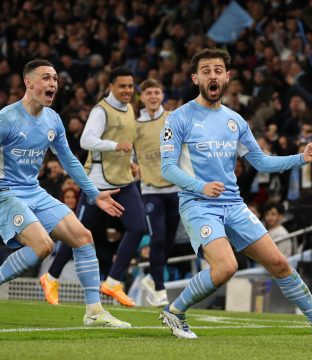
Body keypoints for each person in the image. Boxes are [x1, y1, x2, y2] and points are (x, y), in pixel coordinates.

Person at [159, 48, 312, 342]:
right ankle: (175, 311)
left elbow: (261, 162)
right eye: (206, 70)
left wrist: (301, 158)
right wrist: (201, 187)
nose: (212, 75)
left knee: (279, 264)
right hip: (198, 203)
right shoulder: (179, 118)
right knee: (226, 266)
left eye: (217, 70)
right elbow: (167, 169)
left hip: (233, 204)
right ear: (195, 77)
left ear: (227, 77)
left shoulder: (235, 121)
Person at [0, 59, 130, 328]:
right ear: (29, 82)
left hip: (34, 191)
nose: (53, 84)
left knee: (83, 237)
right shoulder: (6, 119)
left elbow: (69, 159)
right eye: (46, 78)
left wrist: (94, 193)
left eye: (55, 79)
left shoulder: (52, 120)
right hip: (6, 193)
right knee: (43, 245)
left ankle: (94, 312)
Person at [40, 66, 147, 307]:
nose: (128, 90)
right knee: (79, 235)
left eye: (130, 86)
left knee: (138, 226)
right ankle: (51, 276)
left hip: (123, 182)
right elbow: (86, 140)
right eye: (122, 86)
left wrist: (129, 162)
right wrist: (115, 146)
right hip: (98, 186)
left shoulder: (130, 109)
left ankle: (112, 282)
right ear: (110, 86)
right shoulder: (101, 110)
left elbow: (123, 145)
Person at [133, 79, 180, 307]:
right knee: (157, 238)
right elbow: (128, 155)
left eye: (157, 92)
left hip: (175, 188)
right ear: (142, 97)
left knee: (169, 240)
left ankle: (153, 278)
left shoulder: (172, 119)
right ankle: (160, 289)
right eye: (148, 93)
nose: (153, 96)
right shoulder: (135, 125)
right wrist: (131, 166)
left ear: (162, 95)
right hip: (150, 190)